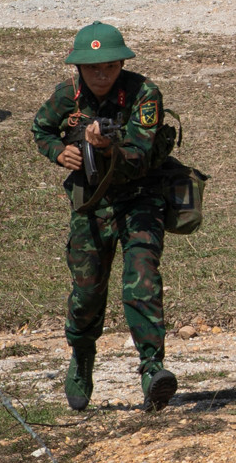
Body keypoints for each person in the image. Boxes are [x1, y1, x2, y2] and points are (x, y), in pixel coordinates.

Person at [30, 23, 178, 414]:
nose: (101, 75)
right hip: (92, 206)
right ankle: (81, 357)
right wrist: (61, 152)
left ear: (121, 64)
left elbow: (142, 155)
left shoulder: (145, 95)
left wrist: (109, 148)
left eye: (110, 67)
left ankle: (152, 369)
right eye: (93, 68)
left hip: (141, 199)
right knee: (87, 293)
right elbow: (40, 128)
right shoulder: (67, 96)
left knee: (143, 280)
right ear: (79, 68)